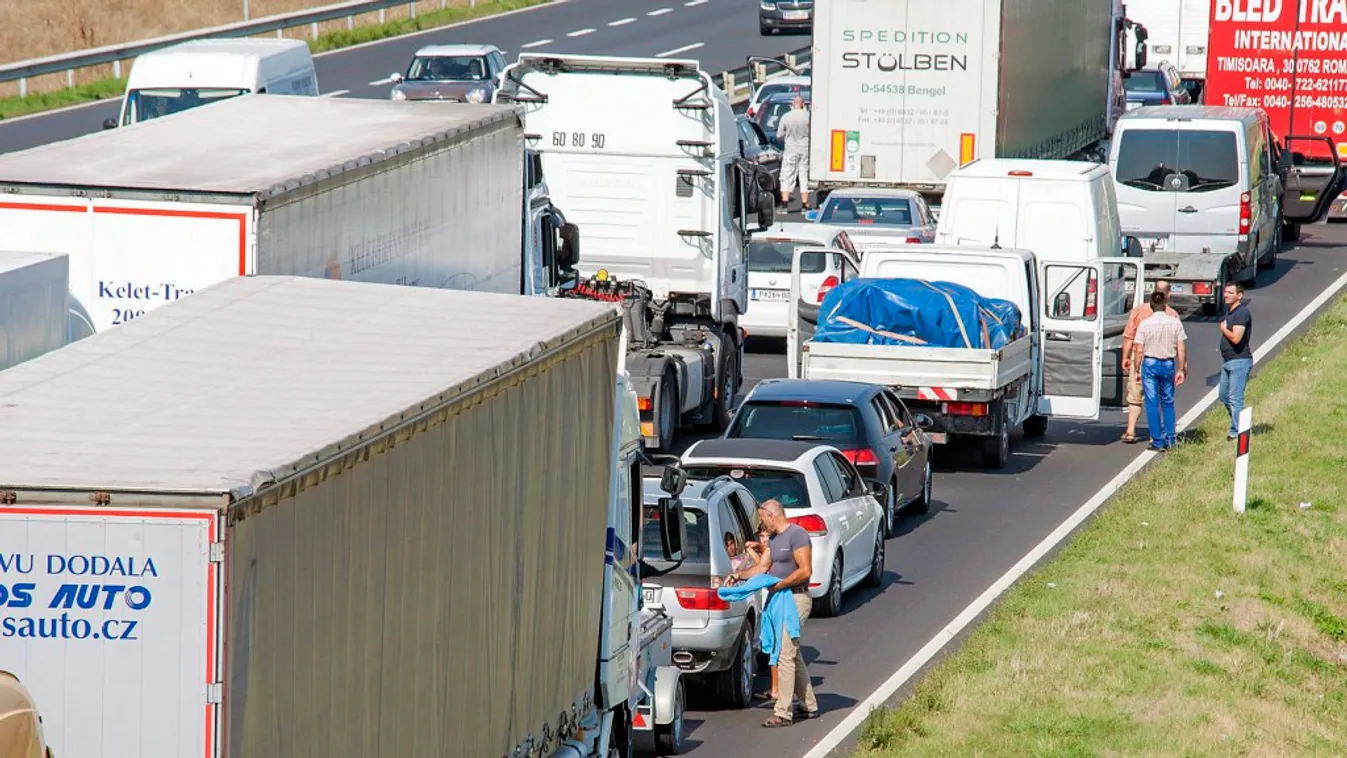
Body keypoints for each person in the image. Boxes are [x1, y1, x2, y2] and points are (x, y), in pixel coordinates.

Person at [730, 500, 818, 726]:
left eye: (762, 519)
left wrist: (780, 585)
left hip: (796, 599)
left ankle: (783, 712)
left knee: (785, 653)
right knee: (793, 654)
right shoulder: (775, 540)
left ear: (771, 515)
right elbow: (761, 568)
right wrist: (739, 576)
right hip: (779, 600)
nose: (761, 524)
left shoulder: (797, 535)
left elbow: (806, 571)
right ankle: (809, 706)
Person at [1120, 279, 1177, 443]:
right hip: (1165, 360)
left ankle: (1131, 431)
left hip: (1142, 358)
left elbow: (1129, 337)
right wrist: (1181, 365)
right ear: (1168, 294)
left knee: (1135, 396)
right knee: (1162, 399)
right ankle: (1157, 435)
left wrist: (1126, 358)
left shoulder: (1139, 311)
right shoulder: (1172, 314)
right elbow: (1178, 342)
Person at [1131, 290, 1188, 451]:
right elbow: (1181, 348)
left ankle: (1157, 440)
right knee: (1168, 402)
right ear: (1165, 305)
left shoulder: (1145, 324)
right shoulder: (1175, 322)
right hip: (1168, 363)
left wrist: (1136, 369)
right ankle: (1170, 438)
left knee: (1152, 402)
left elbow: (1139, 349)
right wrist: (1181, 369)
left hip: (1150, 363)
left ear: (1151, 305)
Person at [1218, 282, 1253, 440]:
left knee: (1235, 397)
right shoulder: (1229, 311)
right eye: (1225, 292)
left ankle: (1237, 431)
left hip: (1239, 360)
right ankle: (1241, 422)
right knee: (1224, 395)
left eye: (1230, 293)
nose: (1226, 295)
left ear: (1239, 295)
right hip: (1228, 361)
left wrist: (1224, 329)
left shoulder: (1241, 313)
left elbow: (1236, 338)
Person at [775, 96, 812, 212]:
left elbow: (779, 135)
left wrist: (788, 134)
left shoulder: (786, 117)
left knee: (786, 176)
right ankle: (805, 205)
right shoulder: (808, 116)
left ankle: (785, 205)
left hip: (790, 150)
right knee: (803, 176)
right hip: (805, 150)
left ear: (793, 104)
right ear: (803, 104)